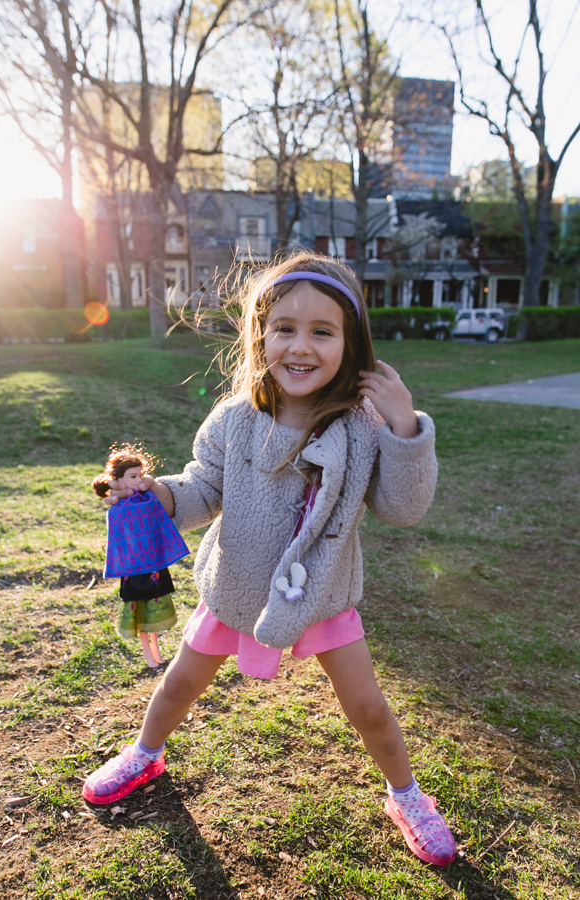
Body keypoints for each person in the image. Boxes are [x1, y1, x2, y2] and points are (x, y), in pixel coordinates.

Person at [82, 252, 457, 866]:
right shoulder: (236, 417)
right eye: (284, 327)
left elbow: (403, 507)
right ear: (261, 334)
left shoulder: (363, 427)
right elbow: (205, 488)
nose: (300, 345)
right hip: (233, 587)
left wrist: (405, 427)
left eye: (322, 331)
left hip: (324, 594)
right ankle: (146, 754)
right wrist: (160, 495)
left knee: (368, 709)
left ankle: (407, 795)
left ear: (351, 343)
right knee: (177, 684)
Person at [92, 446, 189, 668]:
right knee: (138, 609)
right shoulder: (117, 507)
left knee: (154, 608)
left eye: (139, 475)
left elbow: (160, 523)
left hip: (153, 564)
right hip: (133, 569)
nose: (138, 481)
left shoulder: (148, 500)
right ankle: (147, 652)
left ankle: (157, 650)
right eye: (132, 477)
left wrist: (150, 482)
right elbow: (118, 538)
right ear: (118, 481)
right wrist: (112, 493)